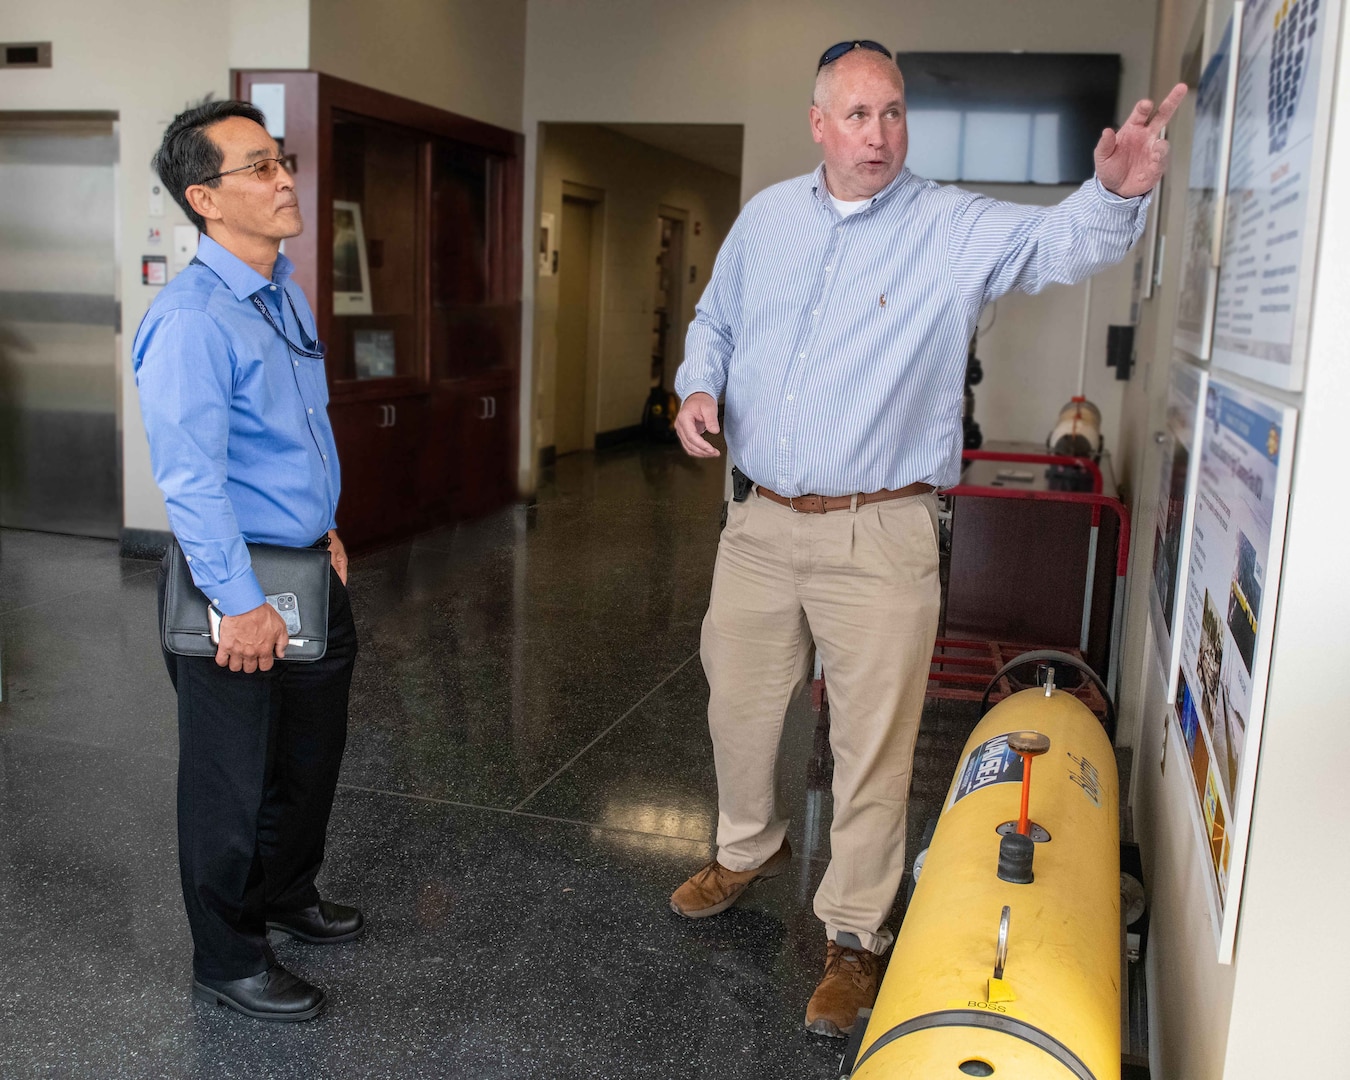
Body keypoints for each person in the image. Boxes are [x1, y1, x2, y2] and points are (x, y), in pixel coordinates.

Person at [669, 40, 1184, 1038]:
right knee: (736, 702)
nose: (879, 133)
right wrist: (698, 382)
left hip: (883, 531)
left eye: (893, 112)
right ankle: (747, 847)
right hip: (758, 522)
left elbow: (1057, 246)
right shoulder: (766, 220)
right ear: (818, 124)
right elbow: (715, 320)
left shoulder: (949, 224)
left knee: (870, 745)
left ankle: (856, 935)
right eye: (857, 115)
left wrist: (1114, 194)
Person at [133, 100, 361, 1023]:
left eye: (282, 162)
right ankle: (227, 957)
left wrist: (328, 528)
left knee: (310, 760)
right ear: (204, 199)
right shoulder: (192, 319)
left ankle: (285, 895)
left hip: (309, 565)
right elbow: (189, 482)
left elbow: (294, 434)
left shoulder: (282, 290)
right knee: (233, 781)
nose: (284, 180)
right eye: (259, 169)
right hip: (239, 586)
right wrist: (241, 602)